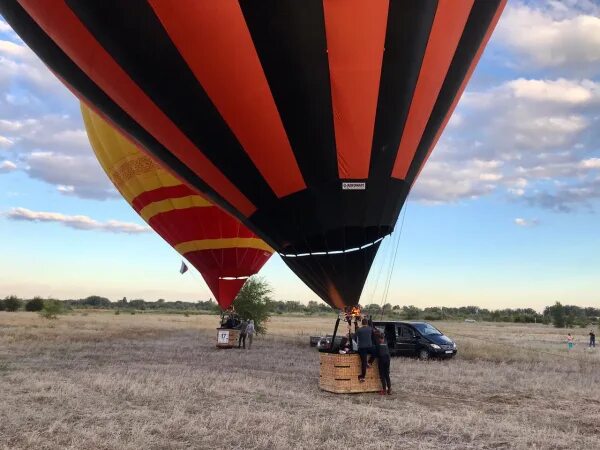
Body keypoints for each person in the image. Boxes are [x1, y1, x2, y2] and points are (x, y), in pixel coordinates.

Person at [356, 318, 374, 382]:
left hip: (362, 348)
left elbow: (355, 336)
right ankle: (369, 362)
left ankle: (363, 377)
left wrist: (356, 327)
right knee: (375, 352)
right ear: (367, 323)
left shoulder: (359, 330)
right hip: (369, 347)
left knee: (363, 362)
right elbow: (371, 326)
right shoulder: (370, 328)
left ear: (362, 323)